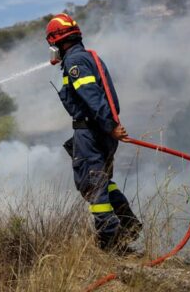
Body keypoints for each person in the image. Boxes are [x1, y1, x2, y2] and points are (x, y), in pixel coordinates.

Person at [45, 13, 142, 251]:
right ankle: (128, 225)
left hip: (92, 132)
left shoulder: (75, 62)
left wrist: (110, 126)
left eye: (52, 43)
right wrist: (110, 127)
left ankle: (111, 242)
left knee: (92, 185)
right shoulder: (85, 56)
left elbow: (92, 96)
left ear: (57, 41)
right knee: (103, 182)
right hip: (100, 131)